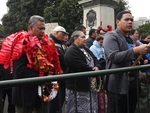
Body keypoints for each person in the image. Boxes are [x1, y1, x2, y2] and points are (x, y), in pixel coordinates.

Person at [0, 15, 62, 113]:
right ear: (31, 28)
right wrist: (43, 76)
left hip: (43, 94)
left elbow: (50, 64)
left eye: (44, 28)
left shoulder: (46, 44)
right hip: (25, 95)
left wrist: (51, 73)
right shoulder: (21, 44)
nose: (43, 31)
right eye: (40, 28)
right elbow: (20, 70)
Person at [103, 11, 150, 113]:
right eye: (126, 19)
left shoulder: (131, 40)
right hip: (118, 85)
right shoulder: (111, 36)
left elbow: (139, 55)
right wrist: (136, 50)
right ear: (118, 21)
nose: (130, 22)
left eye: (131, 20)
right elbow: (113, 56)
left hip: (133, 84)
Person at [64, 30, 101, 113]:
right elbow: (80, 66)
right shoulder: (71, 51)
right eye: (83, 37)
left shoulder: (85, 48)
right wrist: (92, 70)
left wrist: (97, 67)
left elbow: (95, 59)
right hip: (78, 88)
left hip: (89, 86)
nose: (85, 39)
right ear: (75, 39)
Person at [49, 26, 69, 113]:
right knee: (54, 103)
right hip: (55, 77)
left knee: (59, 103)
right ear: (56, 32)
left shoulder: (61, 44)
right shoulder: (50, 43)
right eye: (62, 34)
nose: (64, 36)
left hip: (62, 77)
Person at [0, 34, 15, 113]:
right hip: (1, 83)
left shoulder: (9, 51)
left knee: (12, 103)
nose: (2, 40)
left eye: (3, 38)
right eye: (0, 39)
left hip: (11, 80)